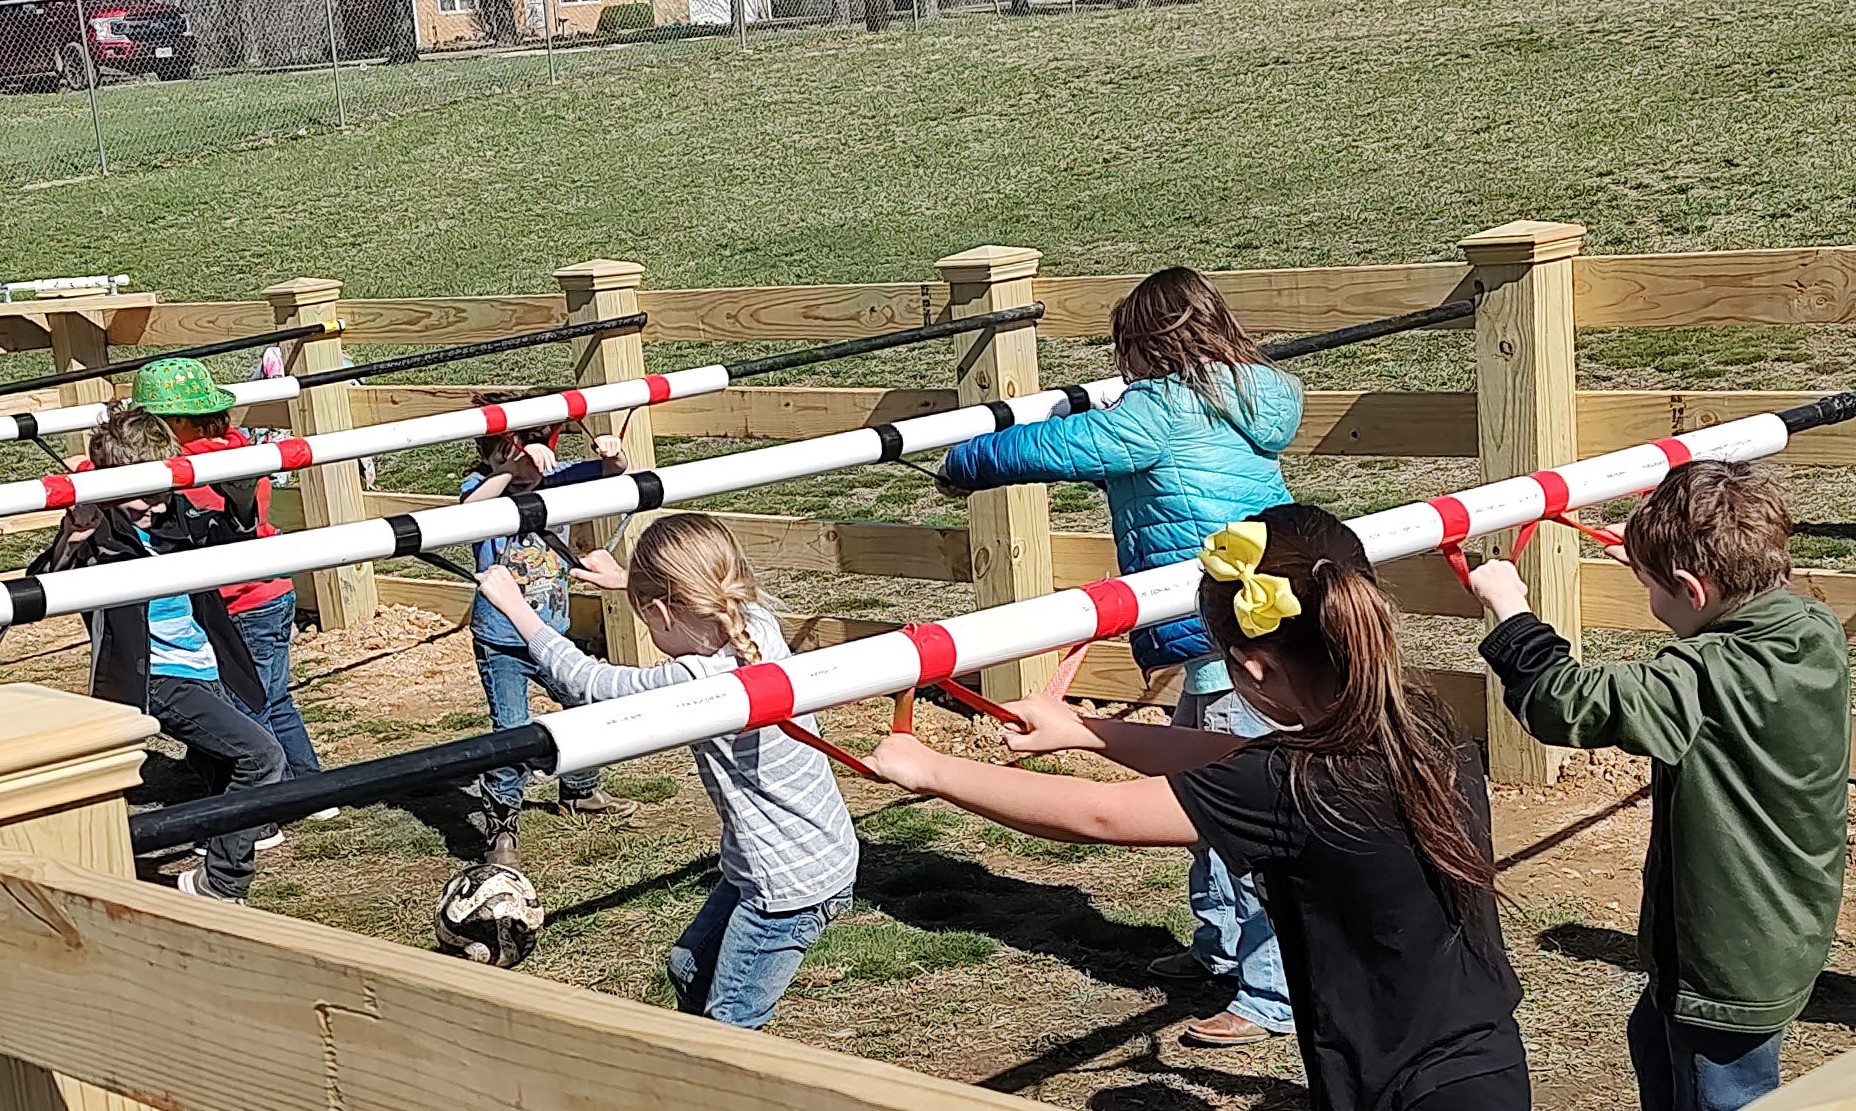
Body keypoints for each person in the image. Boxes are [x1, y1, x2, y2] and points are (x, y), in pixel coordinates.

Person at [866, 505, 1526, 1111]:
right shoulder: (1418, 725)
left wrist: (933, 770)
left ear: (1254, 667)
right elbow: (1237, 756)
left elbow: (1101, 815)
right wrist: (1088, 731)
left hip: (1406, 1085)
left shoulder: (1290, 783)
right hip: (1477, 1053)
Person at [934, 265, 1305, 1047]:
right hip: (1243, 627)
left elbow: (1058, 446)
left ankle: (1271, 994)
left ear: (1146, 345)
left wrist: (963, 463)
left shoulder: (1160, 409)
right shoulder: (1251, 394)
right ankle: (1219, 949)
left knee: (1242, 817)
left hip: (1227, 640)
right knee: (1204, 797)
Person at [1470, 459, 1848, 1111]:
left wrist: (1511, 611)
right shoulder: (1812, 629)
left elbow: (1563, 701)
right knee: (1655, 1043)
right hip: (1778, 929)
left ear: (1691, 590)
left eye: (1651, 585)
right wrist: (1654, 561)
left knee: (1718, 1091)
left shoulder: (1700, 679)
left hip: (1723, 961)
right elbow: (1714, 598)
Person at [473, 512, 856, 1027]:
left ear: (661, 610)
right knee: (689, 969)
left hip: (789, 884)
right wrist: (628, 580)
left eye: (647, 615)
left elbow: (589, 683)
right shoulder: (753, 621)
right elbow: (692, 596)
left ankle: (719, 1071)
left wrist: (518, 609)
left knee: (731, 1024)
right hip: (795, 857)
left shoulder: (699, 681)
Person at [38, 408, 285, 900]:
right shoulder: (100, 532)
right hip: (154, 675)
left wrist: (241, 501)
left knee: (225, 766)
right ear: (110, 485)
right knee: (261, 757)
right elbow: (44, 583)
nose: (155, 505)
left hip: (205, 663)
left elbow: (232, 542)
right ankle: (222, 882)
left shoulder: (178, 514)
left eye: (162, 491)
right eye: (143, 495)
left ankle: (216, 843)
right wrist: (72, 538)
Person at [132, 357, 325, 786]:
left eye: (152, 423)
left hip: (238, 603)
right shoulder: (239, 449)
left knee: (245, 704)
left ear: (177, 422)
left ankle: (268, 796)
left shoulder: (186, 471)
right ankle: (313, 787)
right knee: (275, 699)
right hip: (273, 592)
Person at [460, 391, 634, 842]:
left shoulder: (558, 479)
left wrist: (611, 452)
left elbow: (614, 472)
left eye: (532, 461)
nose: (525, 473)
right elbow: (469, 512)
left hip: (552, 633)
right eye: (509, 460)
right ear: (491, 457)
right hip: (501, 641)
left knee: (583, 705)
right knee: (511, 731)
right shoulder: (480, 486)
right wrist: (508, 470)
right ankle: (503, 821)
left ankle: (580, 789)